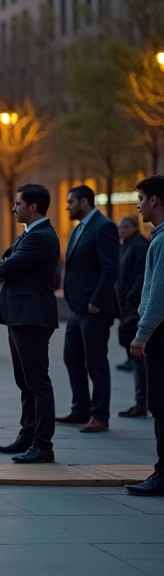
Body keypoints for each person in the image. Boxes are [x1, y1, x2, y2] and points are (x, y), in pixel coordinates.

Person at [0, 183, 60, 464]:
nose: (13, 208)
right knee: (25, 381)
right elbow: (7, 262)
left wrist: (2, 268)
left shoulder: (40, 237)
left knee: (37, 382)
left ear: (33, 207)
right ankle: (28, 434)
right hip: (20, 315)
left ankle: (42, 444)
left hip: (31, 316)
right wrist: (4, 266)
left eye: (18, 204)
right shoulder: (30, 234)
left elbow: (6, 266)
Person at [56, 185, 120, 434]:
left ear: (84, 201)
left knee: (96, 362)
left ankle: (100, 415)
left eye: (71, 201)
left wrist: (95, 301)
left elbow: (110, 269)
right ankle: (80, 409)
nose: (67, 206)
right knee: (71, 357)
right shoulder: (79, 228)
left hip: (94, 309)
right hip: (77, 309)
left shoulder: (103, 227)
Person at [126, 175, 164, 496]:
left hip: (160, 335)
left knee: (161, 404)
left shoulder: (163, 241)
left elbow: (159, 294)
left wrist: (143, 332)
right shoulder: (158, 238)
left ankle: (162, 474)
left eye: (140, 198)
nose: (137, 205)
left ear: (154, 200)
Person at [117, 216, 149, 419]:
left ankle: (141, 402)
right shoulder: (127, 245)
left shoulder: (139, 245)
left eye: (125, 227)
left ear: (135, 227)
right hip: (128, 305)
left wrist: (130, 297)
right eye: (119, 228)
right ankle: (141, 401)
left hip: (134, 306)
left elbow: (142, 275)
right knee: (136, 358)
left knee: (139, 359)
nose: (121, 230)